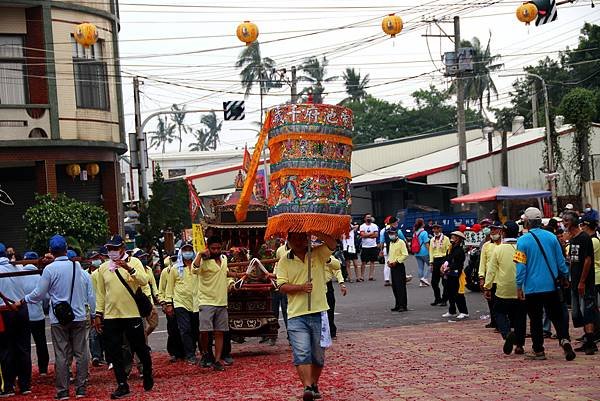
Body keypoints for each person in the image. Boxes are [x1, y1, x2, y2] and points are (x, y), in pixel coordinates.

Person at [20, 235, 95, 400]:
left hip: (58, 319)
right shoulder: (76, 267)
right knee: (81, 353)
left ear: (50, 251)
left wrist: (23, 300)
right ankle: (81, 388)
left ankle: (63, 390)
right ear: (66, 249)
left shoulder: (50, 270)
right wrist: (94, 314)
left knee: (61, 354)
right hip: (79, 315)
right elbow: (90, 294)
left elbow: (39, 294)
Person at [277, 231, 337, 401]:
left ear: (307, 239)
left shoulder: (317, 253)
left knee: (318, 355)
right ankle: (307, 387)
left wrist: (317, 231)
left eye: (302, 238)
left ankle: (314, 383)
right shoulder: (284, 261)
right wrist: (300, 288)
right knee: (302, 352)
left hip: (319, 312)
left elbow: (332, 244)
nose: (298, 241)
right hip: (296, 314)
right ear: (288, 240)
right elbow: (281, 285)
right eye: (294, 238)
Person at [94, 235, 154, 399]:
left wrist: (129, 268)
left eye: (115, 248)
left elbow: (144, 280)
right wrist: (98, 314)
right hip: (112, 316)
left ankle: (147, 372)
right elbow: (100, 293)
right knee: (114, 352)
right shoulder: (103, 268)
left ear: (122, 248)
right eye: (109, 249)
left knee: (139, 348)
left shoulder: (134, 262)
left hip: (132, 313)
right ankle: (122, 384)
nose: (112, 252)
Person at [515, 207, 576, 361]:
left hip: (532, 288)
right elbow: (561, 262)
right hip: (551, 285)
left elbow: (520, 266)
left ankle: (539, 350)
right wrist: (565, 276)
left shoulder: (522, 241)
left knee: (535, 319)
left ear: (527, 222)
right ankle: (564, 340)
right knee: (556, 316)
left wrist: (519, 286)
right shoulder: (552, 237)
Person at [195, 237, 243, 371]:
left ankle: (217, 360)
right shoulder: (203, 260)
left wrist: (233, 280)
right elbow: (194, 269)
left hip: (222, 301)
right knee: (205, 331)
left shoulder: (224, 259)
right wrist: (200, 254)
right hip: (206, 300)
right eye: (213, 248)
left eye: (218, 248)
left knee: (220, 332)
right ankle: (205, 353)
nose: (216, 251)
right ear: (208, 247)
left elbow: (223, 273)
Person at [484, 221, 526, 355]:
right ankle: (519, 345)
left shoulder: (498, 249)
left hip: (503, 289)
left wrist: (487, 286)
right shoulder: (522, 247)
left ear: (503, 232)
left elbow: (491, 270)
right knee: (520, 317)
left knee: (499, 312)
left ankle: (507, 333)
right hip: (521, 289)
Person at [563, 213, 598, 355]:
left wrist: (582, 281)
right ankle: (587, 340)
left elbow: (588, 260)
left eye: (566, 221)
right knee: (578, 314)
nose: (564, 223)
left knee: (587, 311)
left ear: (573, 222)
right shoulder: (573, 239)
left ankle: (591, 342)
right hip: (575, 280)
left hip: (585, 282)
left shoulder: (584, 238)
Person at [0, 242, 30, 397]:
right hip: (21, 309)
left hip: (5, 312)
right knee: (23, 348)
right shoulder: (18, 267)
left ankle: (9, 386)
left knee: (7, 349)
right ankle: (25, 385)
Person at [164, 243, 200, 365]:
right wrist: (169, 303)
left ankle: (193, 349)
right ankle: (190, 354)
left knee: (196, 329)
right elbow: (170, 287)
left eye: (190, 250)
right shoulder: (175, 269)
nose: (188, 253)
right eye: (185, 250)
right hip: (180, 302)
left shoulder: (198, 267)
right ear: (181, 252)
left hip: (196, 302)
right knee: (185, 329)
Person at [20, 252, 49, 376]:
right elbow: (46, 297)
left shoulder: (19, 275)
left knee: (24, 345)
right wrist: (43, 307)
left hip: (23, 314)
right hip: (38, 315)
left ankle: (25, 371)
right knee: (41, 342)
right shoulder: (39, 276)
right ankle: (43, 369)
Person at [157, 255, 184, 362]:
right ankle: (174, 352)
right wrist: (164, 303)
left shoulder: (184, 270)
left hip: (182, 301)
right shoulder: (165, 272)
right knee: (173, 329)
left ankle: (186, 351)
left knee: (185, 328)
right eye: (173, 259)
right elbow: (161, 289)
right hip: (170, 302)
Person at [478, 224, 503, 329]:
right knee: (491, 302)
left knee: (501, 303)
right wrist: (481, 277)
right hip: (490, 279)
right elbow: (482, 262)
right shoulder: (486, 246)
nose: (493, 233)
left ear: (500, 232)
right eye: (491, 231)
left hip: (502, 278)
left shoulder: (505, 244)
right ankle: (494, 321)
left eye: (495, 230)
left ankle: (501, 323)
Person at [442, 232, 469, 320]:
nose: (452, 238)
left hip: (457, 274)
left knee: (458, 294)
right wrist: (444, 265)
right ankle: (452, 310)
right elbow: (448, 258)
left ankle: (464, 312)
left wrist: (450, 267)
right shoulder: (450, 248)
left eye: (454, 237)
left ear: (458, 239)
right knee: (450, 293)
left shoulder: (459, 250)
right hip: (449, 273)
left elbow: (458, 263)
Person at [88, 249, 107, 367]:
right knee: (94, 333)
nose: (97, 260)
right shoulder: (86, 274)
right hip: (92, 306)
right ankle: (96, 356)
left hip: (104, 306)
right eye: (94, 258)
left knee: (103, 332)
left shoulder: (103, 272)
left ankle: (103, 355)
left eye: (97, 257)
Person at [379, 217, 407, 287]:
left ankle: (387, 279)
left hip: (386, 248)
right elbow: (403, 239)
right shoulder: (397, 231)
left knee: (387, 264)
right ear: (393, 223)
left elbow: (381, 242)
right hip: (396, 249)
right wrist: (408, 246)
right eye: (396, 222)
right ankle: (400, 279)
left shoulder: (383, 230)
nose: (397, 223)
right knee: (398, 263)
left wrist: (381, 250)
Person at [324, 256, 347, 339]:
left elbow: (337, 270)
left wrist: (341, 283)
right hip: (315, 286)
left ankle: (332, 331)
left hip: (327, 284)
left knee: (330, 309)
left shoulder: (329, 257)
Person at [387, 228, 409, 312]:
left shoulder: (401, 242)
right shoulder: (391, 243)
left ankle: (403, 305)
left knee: (400, 286)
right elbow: (391, 254)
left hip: (399, 266)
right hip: (392, 266)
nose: (391, 235)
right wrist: (389, 261)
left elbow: (405, 254)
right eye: (389, 233)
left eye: (392, 233)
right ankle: (397, 304)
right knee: (395, 287)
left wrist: (397, 261)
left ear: (396, 234)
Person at [429, 223, 450, 306]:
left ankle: (444, 299)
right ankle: (437, 298)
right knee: (434, 282)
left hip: (443, 259)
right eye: (434, 229)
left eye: (437, 229)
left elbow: (448, 251)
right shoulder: (432, 240)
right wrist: (431, 263)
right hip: (435, 260)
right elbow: (431, 252)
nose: (435, 230)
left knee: (445, 282)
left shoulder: (446, 239)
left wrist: (447, 262)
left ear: (440, 229)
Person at [359, 214, 379, 282]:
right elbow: (362, 235)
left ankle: (371, 276)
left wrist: (366, 235)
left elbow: (376, 235)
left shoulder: (374, 225)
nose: (369, 218)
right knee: (363, 262)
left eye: (370, 217)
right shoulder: (362, 226)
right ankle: (362, 276)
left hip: (373, 246)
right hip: (365, 246)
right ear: (364, 219)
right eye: (367, 217)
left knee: (372, 261)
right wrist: (371, 233)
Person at [412, 218, 430, 287]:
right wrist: (430, 251)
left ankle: (421, 282)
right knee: (431, 265)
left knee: (420, 267)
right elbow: (426, 243)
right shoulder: (424, 232)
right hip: (424, 252)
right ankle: (424, 278)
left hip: (416, 252)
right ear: (422, 224)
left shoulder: (415, 233)